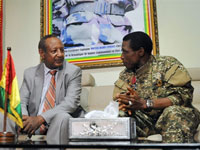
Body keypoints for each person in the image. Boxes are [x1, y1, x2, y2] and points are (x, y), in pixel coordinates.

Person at [113, 31, 200, 143]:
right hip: (147, 121)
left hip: (176, 115)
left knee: (173, 113)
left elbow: (183, 97)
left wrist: (146, 103)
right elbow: (118, 101)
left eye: (125, 52)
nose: (121, 57)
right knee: (118, 118)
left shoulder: (167, 65)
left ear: (140, 51)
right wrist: (127, 102)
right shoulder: (126, 74)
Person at [0, 34, 83, 144]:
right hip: (33, 123)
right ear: (42, 53)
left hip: (56, 123)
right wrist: (24, 120)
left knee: (63, 116)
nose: (60, 54)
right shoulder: (30, 73)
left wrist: (40, 119)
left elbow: (70, 103)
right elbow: (22, 101)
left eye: (62, 50)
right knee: (4, 113)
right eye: (54, 51)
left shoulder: (73, 72)